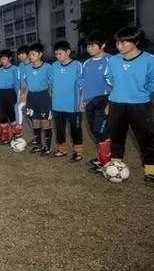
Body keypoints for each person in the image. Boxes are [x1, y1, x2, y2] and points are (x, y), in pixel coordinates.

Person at [105, 26, 154, 187]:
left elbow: (152, 82)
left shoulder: (149, 60)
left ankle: (151, 171)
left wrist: (140, 93)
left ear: (136, 41)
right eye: (118, 42)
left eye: (124, 42)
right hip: (116, 104)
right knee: (116, 138)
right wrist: (111, 101)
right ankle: (115, 167)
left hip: (140, 105)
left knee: (146, 139)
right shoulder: (113, 60)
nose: (119, 46)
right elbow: (110, 80)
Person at [79, 30, 112, 172]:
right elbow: (84, 83)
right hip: (89, 101)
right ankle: (103, 158)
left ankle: (105, 164)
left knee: (101, 131)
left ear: (103, 45)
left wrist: (111, 103)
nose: (90, 48)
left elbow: (118, 83)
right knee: (94, 131)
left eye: (93, 45)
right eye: (88, 46)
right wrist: (82, 100)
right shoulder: (86, 63)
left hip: (105, 100)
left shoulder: (111, 60)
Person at [50, 41, 84, 161]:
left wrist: (81, 101)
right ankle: (62, 149)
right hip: (57, 105)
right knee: (59, 129)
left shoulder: (77, 65)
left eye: (60, 53)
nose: (57, 56)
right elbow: (51, 84)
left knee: (76, 128)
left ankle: (78, 151)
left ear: (68, 52)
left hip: (73, 105)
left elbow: (82, 85)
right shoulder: (54, 66)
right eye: (56, 54)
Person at [21, 43, 53, 154]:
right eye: (30, 54)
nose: (31, 56)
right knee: (35, 121)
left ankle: (48, 147)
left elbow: (51, 85)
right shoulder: (27, 68)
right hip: (32, 97)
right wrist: (25, 95)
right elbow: (28, 84)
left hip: (43, 96)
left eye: (33, 54)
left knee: (45, 122)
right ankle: (39, 145)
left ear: (40, 54)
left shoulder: (48, 67)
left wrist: (49, 98)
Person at [0, 50, 22, 144]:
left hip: (11, 94)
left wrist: (17, 98)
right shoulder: (0, 70)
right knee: (2, 117)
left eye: (4, 58)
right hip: (1, 94)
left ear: (10, 58)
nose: (2, 60)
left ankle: (16, 136)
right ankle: (5, 137)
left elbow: (17, 84)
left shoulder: (15, 69)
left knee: (12, 116)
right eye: (1, 59)